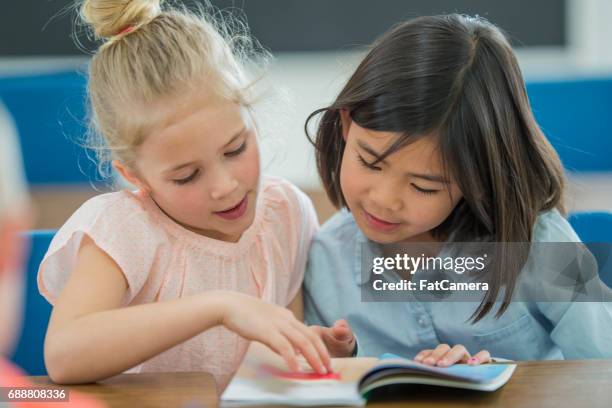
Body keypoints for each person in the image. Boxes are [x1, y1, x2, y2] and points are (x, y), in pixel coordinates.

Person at [39, 0, 330, 390]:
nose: (225, 186)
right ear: (134, 175)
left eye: (235, 149)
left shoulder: (286, 213)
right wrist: (218, 307)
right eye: (187, 175)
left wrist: (316, 347)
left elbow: (279, 354)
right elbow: (63, 356)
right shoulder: (124, 230)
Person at [303, 14, 612, 366]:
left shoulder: (543, 245)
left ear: (476, 178)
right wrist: (343, 361)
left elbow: (605, 371)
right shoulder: (323, 262)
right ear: (346, 125)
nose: (384, 200)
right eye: (370, 163)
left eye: (424, 186)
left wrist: (501, 379)